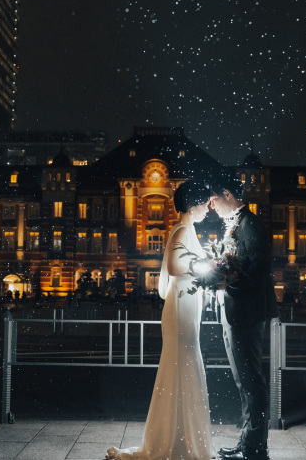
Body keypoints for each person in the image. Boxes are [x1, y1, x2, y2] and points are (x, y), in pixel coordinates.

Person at [107, 180, 215, 460]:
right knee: (184, 363)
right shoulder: (182, 229)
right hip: (181, 306)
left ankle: (177, 438)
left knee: (182, 365)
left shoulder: (185, 229)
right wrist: (208, 268)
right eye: (205, 204)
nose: (208, 210)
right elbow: (175, 266)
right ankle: (178, 441)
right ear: (192, 205)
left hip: (184, 303)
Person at [208, 174, 278, 460]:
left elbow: (256, 271)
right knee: (244, 382)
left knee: (251, 381)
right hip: (238, 311)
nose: (211, 206)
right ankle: (248, 443)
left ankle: (254, 448)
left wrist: (223, 279)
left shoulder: (251, 224)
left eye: (213, 199)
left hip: (245, 312)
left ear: (227, 194)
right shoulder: (240, 223)